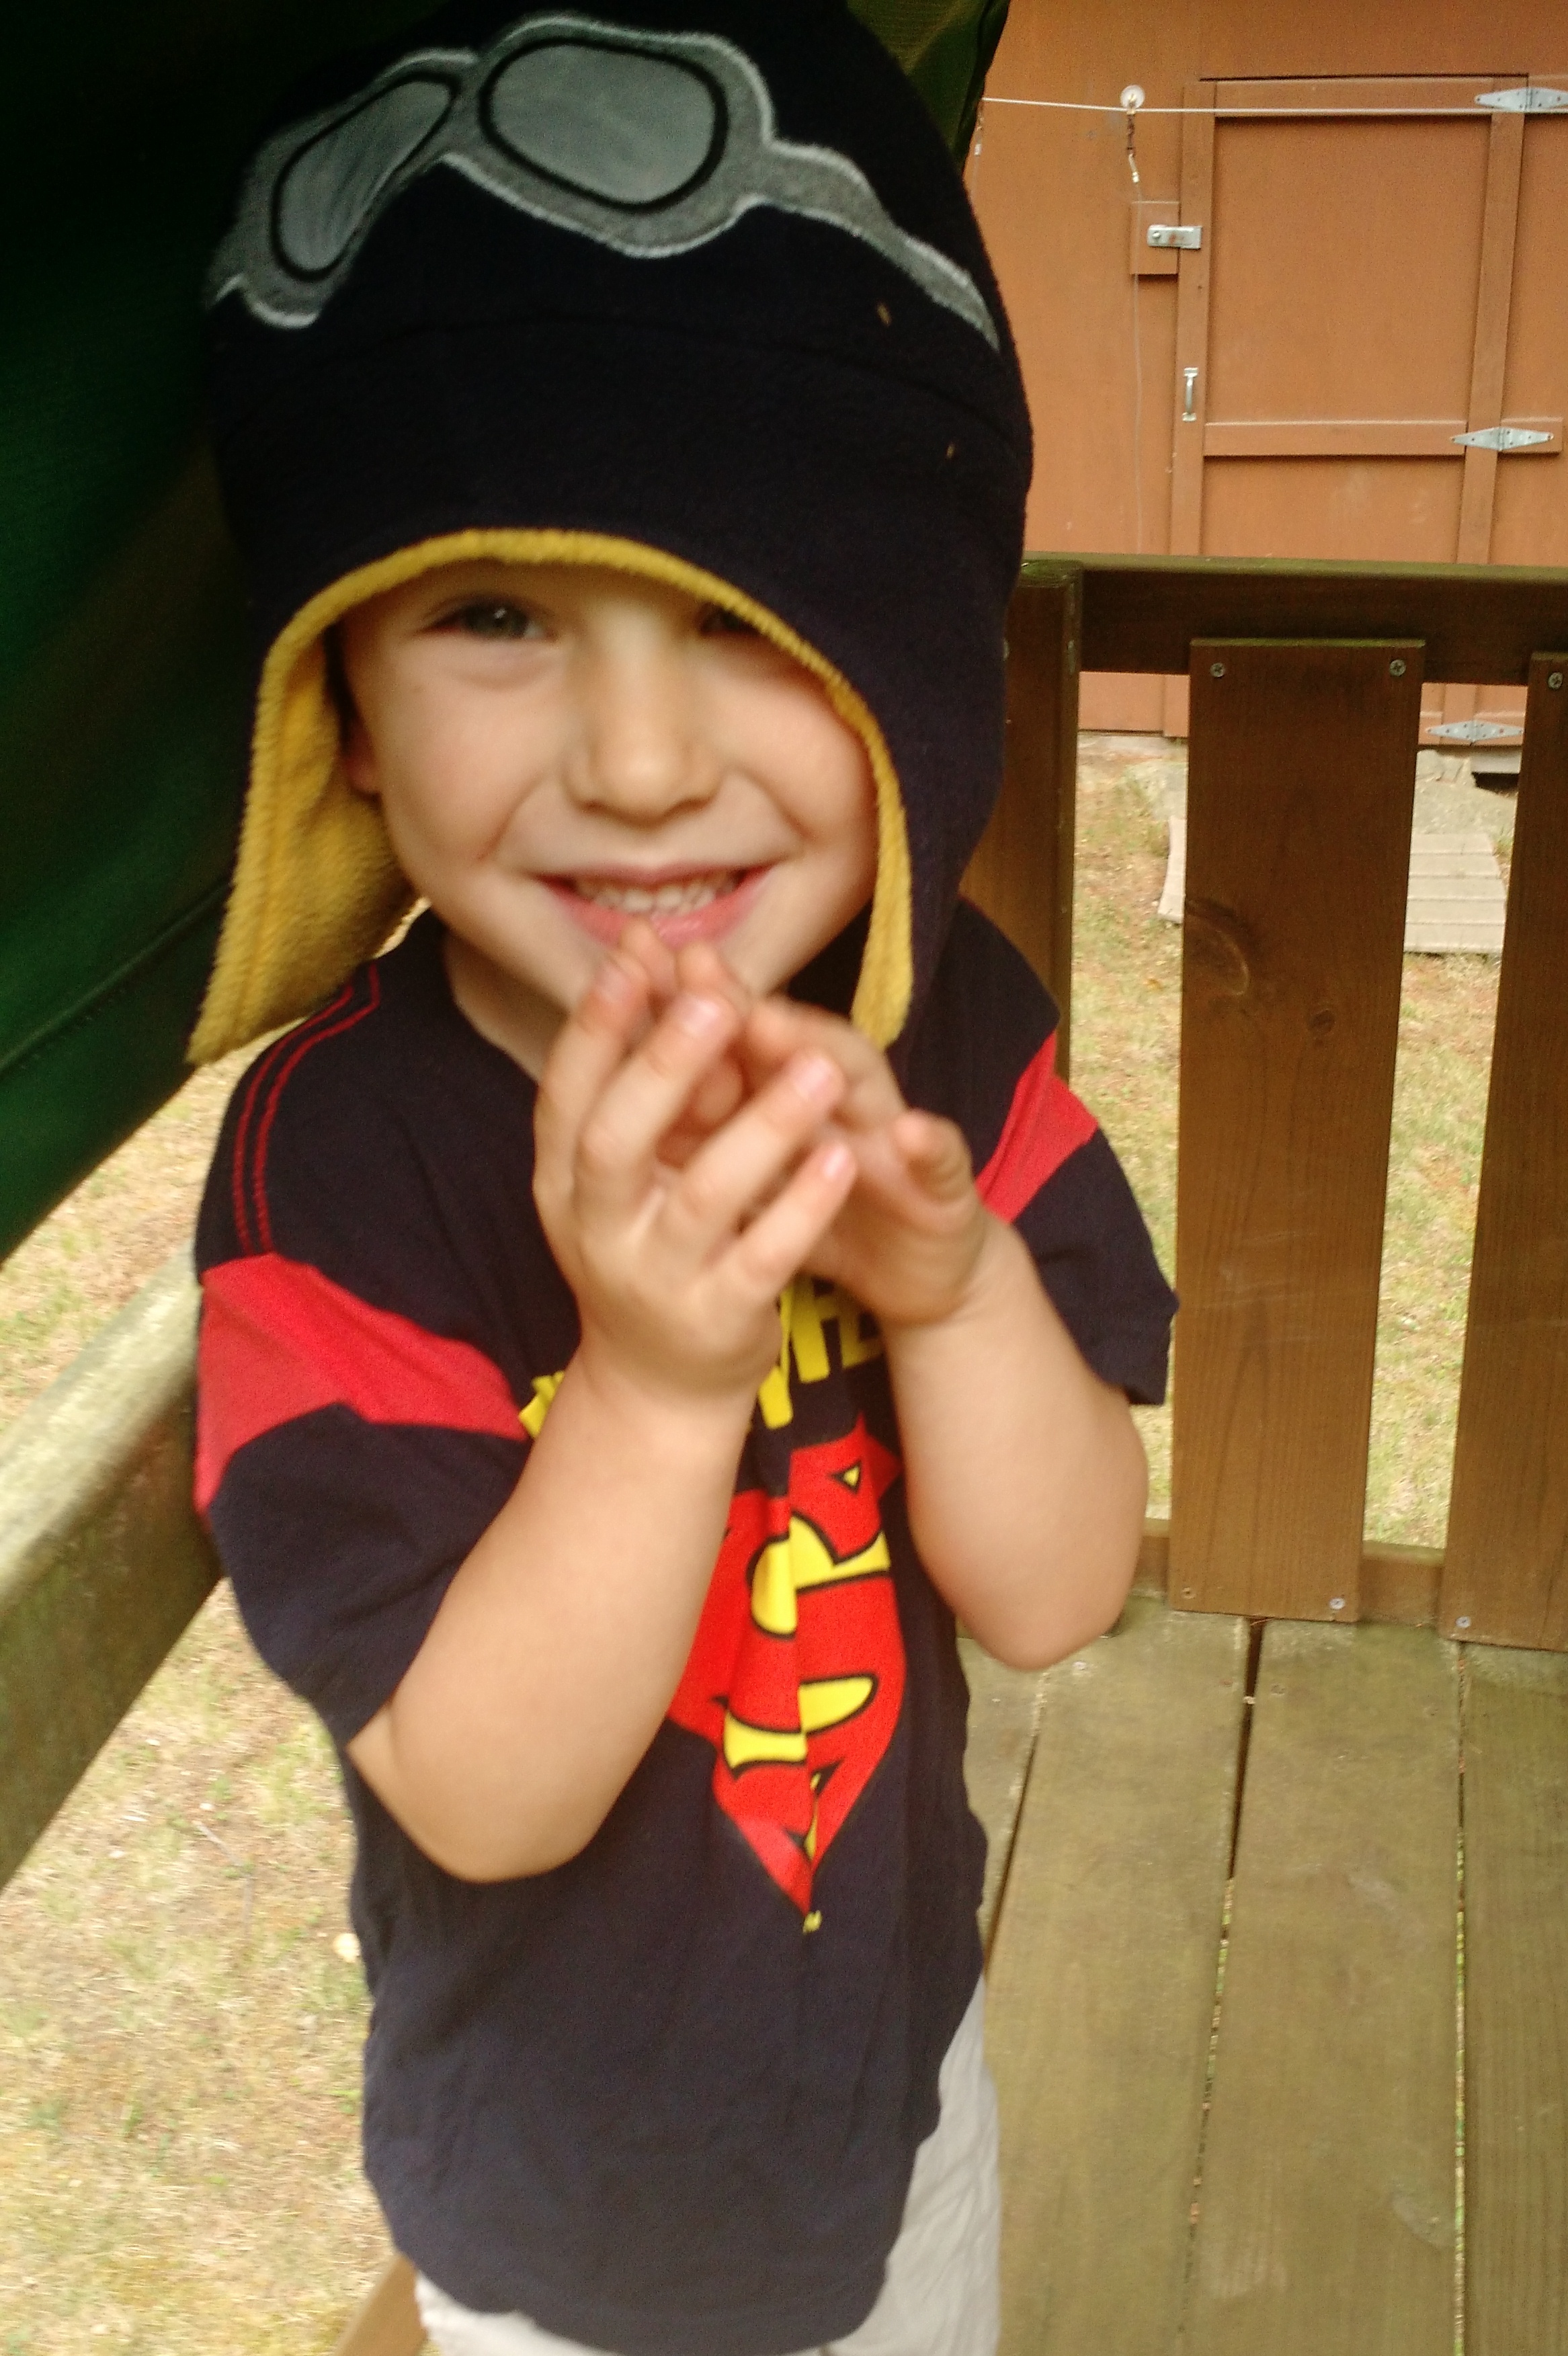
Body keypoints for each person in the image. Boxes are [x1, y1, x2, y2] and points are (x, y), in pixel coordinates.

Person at [189, 3, 1177, 2351]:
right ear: (342, 701)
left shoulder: (947, 1025)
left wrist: (952, 1289)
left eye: (746, 610)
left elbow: (1058, 1594)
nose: (639, 763)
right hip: (566, 2211)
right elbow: (477, 1789)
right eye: (495, 616)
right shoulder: (340, 1172)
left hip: (900, 2097)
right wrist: (648, 1383)